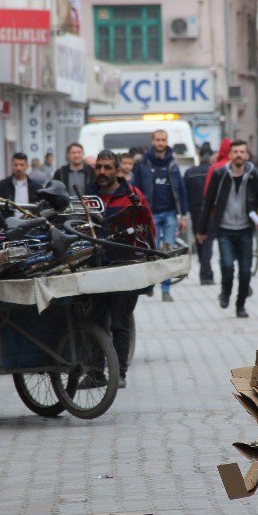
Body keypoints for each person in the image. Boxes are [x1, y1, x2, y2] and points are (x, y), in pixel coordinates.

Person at [89, 151, 155, 388]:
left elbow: (148, 228)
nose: (103, 172)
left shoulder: (132, 196)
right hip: (94, 270)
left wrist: (148, 263)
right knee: (95, 321)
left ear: (117, 170)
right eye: (99, 167)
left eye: (108, 167)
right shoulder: (89, 197)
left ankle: (119, 374)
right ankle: (95, 373)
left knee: (119, 322)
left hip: (126, 270)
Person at [197, 140, 258, 318]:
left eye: (242, 152)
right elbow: (207, 202)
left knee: (245, 271)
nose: (238, 155)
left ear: (247, 155)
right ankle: (225, 291)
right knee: (227, 266)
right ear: (229, 155)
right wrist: (202, 230)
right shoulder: (220, 174)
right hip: (224, 229)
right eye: (235, 152)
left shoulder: (255, 175)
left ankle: (240, 305)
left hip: (245, 230)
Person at [132, 130, 189, 302]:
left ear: (166, 141)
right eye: (157, 140)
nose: (160, 143)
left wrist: (183, 215)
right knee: (151, 251)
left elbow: (181, 189)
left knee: (167, 252)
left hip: (170, 213)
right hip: (151, 214)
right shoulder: (143, 163)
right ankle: (150, 284)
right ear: (152, 141)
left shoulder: (172, 163)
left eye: (163, 140)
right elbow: (135, 188)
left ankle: (166, 289)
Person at [183, 145, 215, 285]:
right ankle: (206, 274)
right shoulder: (215, 171)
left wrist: (185, 212)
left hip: (195, 211)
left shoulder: (190, 173)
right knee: (208, 241)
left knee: (200, 240)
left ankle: (205, 272)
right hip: (212, 212)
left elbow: (184, 193)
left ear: (200, 156)